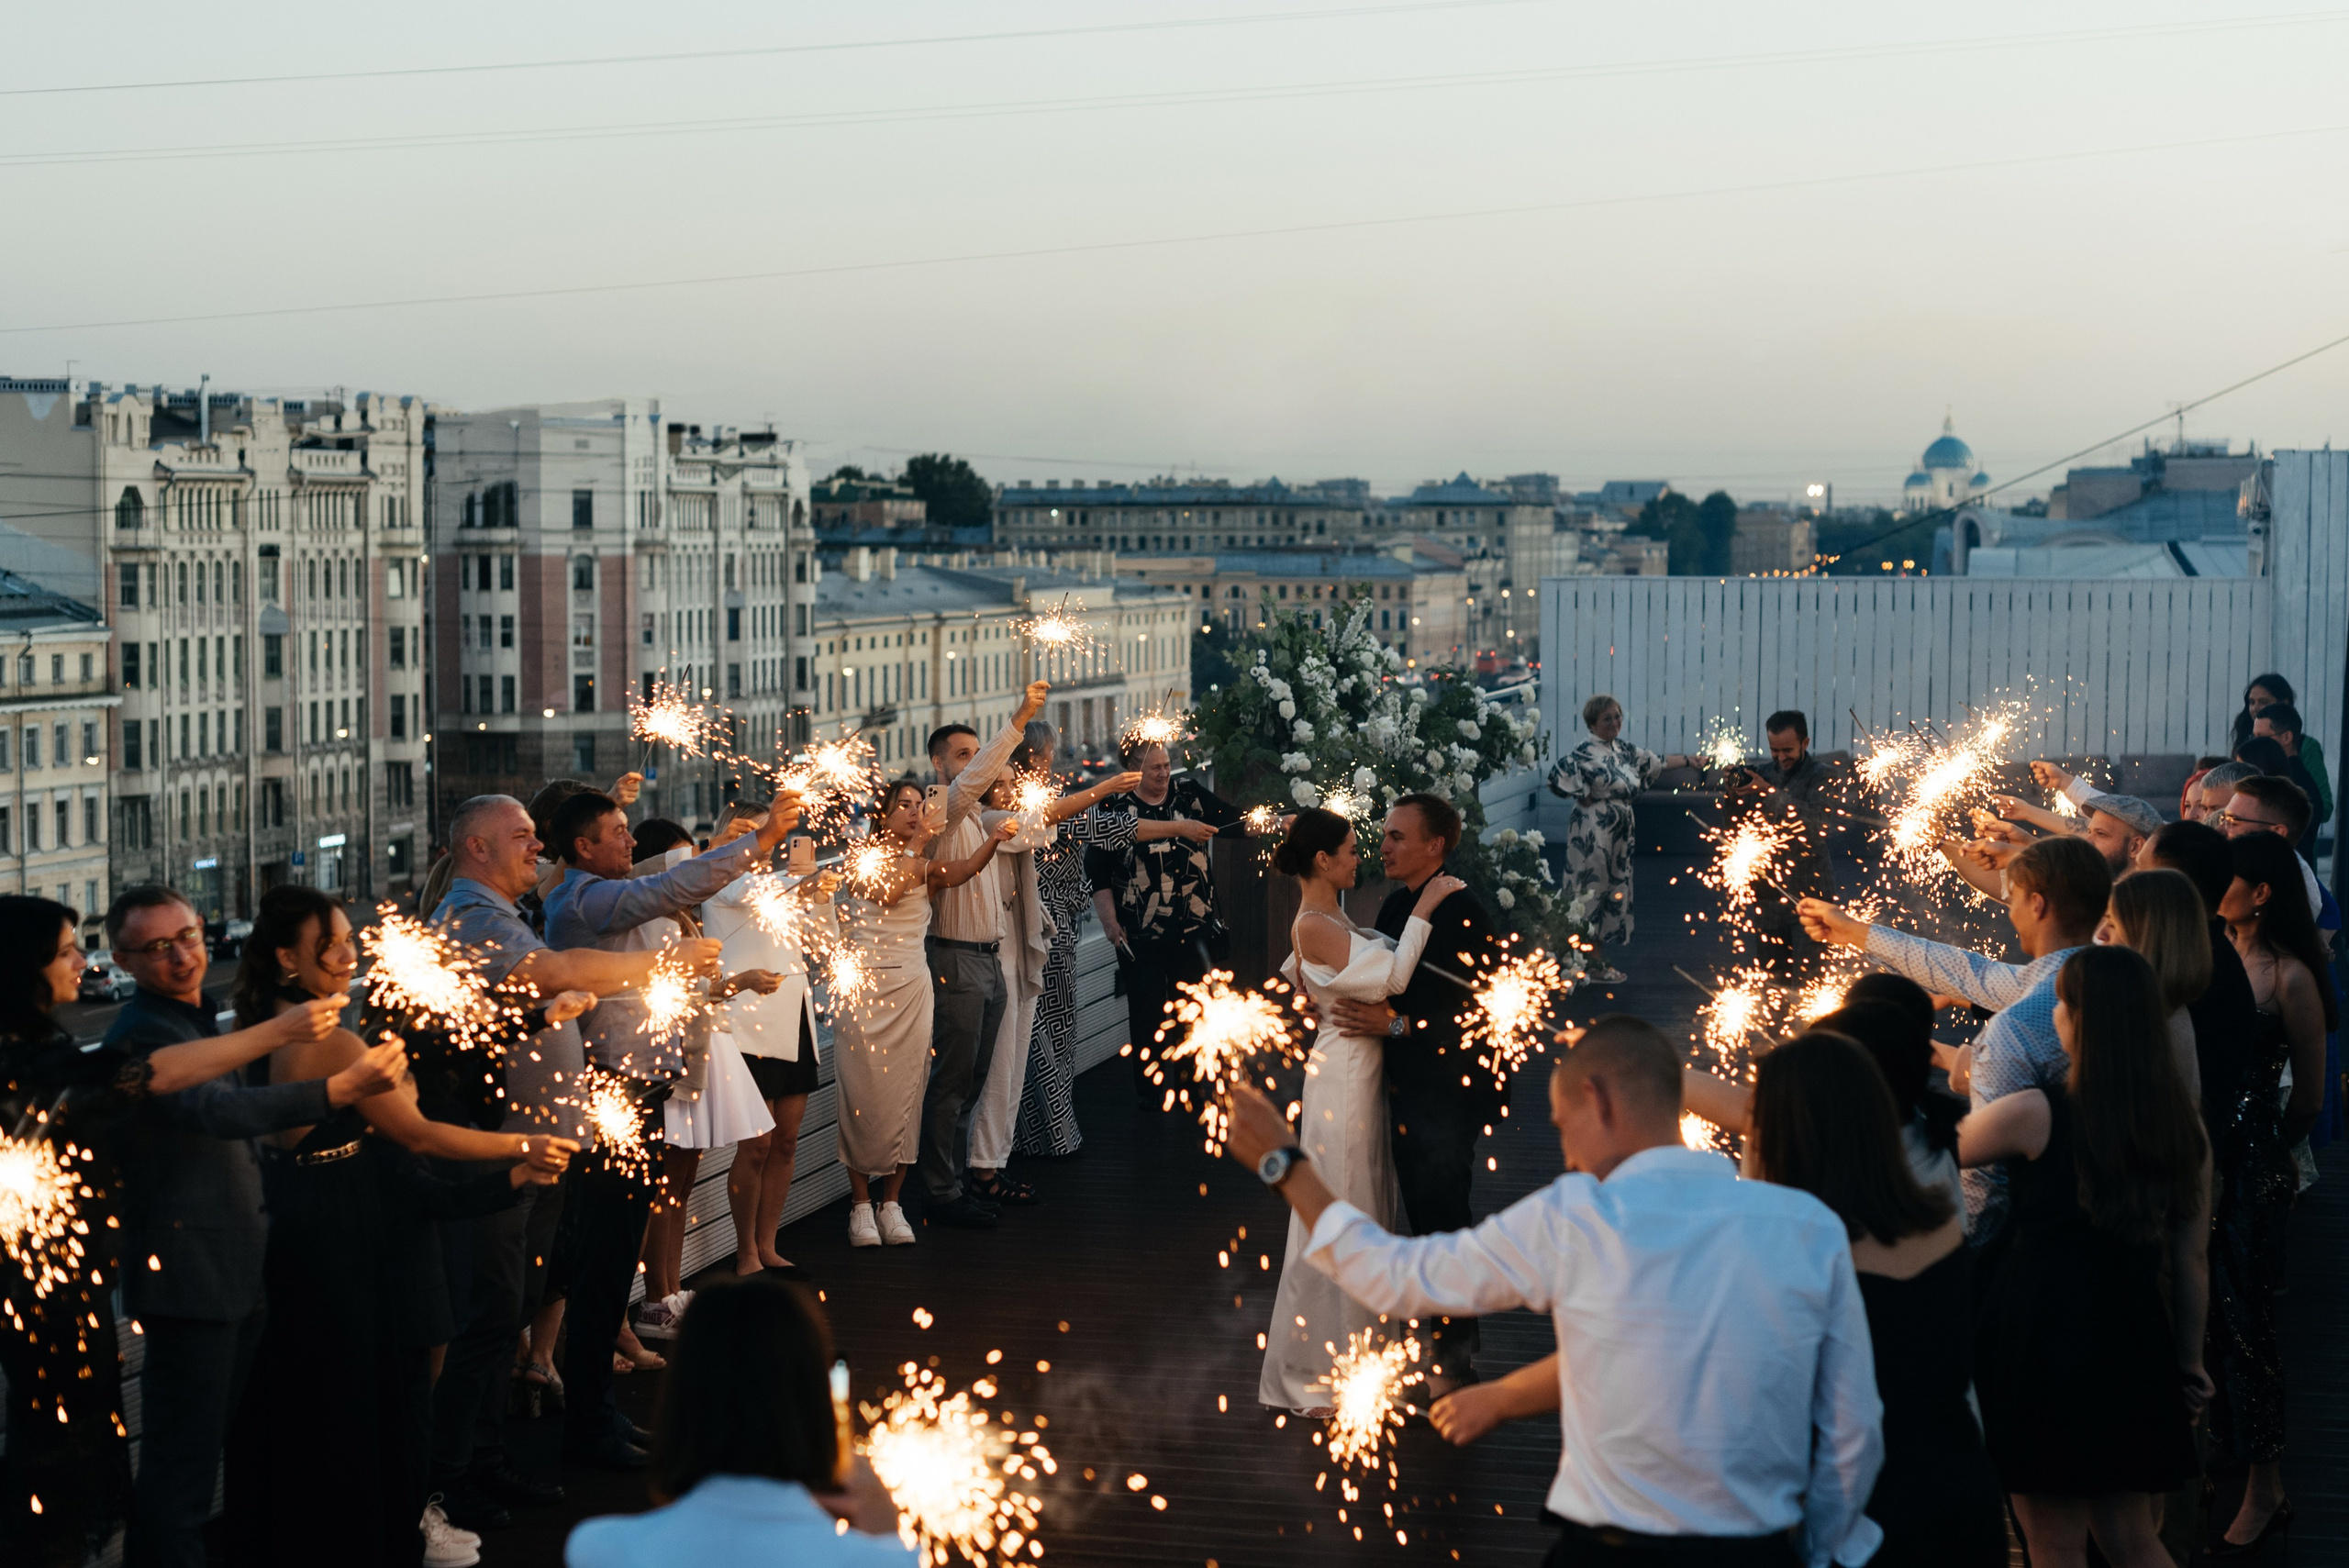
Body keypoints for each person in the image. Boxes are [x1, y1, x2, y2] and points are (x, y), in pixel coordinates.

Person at [1225, 1014, 1885, 1568]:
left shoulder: (1581, 1214)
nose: (1567, 1156)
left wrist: (1287, 1164)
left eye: (1563, 1125)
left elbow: (1396, 1277)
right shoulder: (1809, 1229)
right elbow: (1853, 1429)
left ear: (1599, 1100)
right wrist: (1820, 1551)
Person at [222, 885, 578, 1568]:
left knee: (304, 1405)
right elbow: (417, 1133)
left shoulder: (256, 1025)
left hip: (289, 1222)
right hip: (338, 1231)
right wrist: (520, 1146)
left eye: (349, 939)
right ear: (288, 959)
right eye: (332, 945)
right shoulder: (330, 1039)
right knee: (356, 1402)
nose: (348, 953)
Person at [0, 899, 354, 1568]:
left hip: (92, 1290)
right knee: (93, 1477)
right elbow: (161, 1083)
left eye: (189, 936)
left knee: (109, 1472)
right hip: (77, 1296)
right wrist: (310, 1064)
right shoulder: (55, 1055)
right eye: (68, 951)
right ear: (26, 968)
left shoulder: (48, 1046)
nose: (85, 962)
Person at [104, 884, 406, 1568]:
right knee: (180, 1484)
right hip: (192, 1286)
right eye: (157, 947)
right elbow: (218, 1113)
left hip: (234, 1275)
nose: (181, 954)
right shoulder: (144, 1034)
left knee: (223, 1452)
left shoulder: (197, 1018)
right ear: (123, 960)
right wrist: (333, 1091)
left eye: (187, 934)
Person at [427, 795, 720, 1481]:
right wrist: (664, 969)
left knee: (541, 1292)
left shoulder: (507, 915)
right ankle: (468, 1470)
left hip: (546, 1142)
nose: (537, 847)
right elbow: (557, 971)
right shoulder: (476, 917)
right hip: (504, 1151)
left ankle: (517, 1447)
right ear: (476, 847)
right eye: (523, 836)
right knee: (498, 1309)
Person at [540, 787, 790, 1467]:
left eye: (629, 830)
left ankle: (600, 1414)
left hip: (641, 1091)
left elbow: (667, 910)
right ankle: (588, 1425)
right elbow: (675, 880)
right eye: (617, 831)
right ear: (583, 847)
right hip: (607, 1095)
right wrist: (761, 840)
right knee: (599, 1263)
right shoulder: (583, 900)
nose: (629, 841)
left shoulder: (614, 894)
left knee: (614, 1260)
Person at [1958, 946, 2210, 1568]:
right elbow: (2191, 1255)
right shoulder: (2180, 1125)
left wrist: (1951, 1076)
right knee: (2130, 1535)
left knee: (2052, 1541)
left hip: (2043, 1340)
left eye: (2064, 1003)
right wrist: (2188, 1360)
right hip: (2131, 1336)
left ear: (2082, 1020)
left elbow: (1925, 1152)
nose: (2056, 1016)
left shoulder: (2037, 1112)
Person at [1799, 835, 2110, 1238]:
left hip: (2044, 1245)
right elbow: (1969, 973)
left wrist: (1965, 1265)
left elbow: (1987, 1184)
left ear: (2037, 905)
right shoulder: (2113, 977)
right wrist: (1855, 932)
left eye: (2012, 897)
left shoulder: (2014, 1029)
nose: (2010, 911)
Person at [1259, 808, 1456, 1414]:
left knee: (1365, 1208)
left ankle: (1362, 1361)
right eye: (1347, 849)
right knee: (1341, 1208)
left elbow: (1314, 970)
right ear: (1322, 860)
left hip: (1360, 1072)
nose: (1358, 857)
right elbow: (1388, 978)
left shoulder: (1328, 916)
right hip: (1342, 1081)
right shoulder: (1316, 922)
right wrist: (1427, 906)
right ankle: (1319, 1373)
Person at [1314, 794, 1503, 1393]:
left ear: (1435, 846)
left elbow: (1480, 1015)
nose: (1385, 845)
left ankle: (1454, 1368)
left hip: (1447, 1094)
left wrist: (1396, 1025)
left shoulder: (1466, 914)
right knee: (1422, 1222)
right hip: (1406, 1090)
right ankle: (1438, 1351)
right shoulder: (1398, 904)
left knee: (1444, 1224)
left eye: (1397, 836)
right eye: (1385, 835)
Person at [563, 1274, 911, 1566]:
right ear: (814, 1403)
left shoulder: (598, 1549)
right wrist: (882, 1516)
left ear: (681, 1397)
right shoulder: (884, 1559)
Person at [2205, 829, 2333, 1552]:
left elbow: (2309, 1098)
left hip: (2252, 1160)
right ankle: (2221, 1449)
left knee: (2247, 1322)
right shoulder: (2211, 956)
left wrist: (2268, 1151)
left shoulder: (2289, 977)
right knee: (2207, 1318)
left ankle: (2267, 1487)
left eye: (2232, 877)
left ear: (2261, 894)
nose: (2218, 886)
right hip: (2205, 1149)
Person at [621, 815, 783, 1342]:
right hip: (672, 1057)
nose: (695, 873)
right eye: (684, 862)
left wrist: (732, 983)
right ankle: (657, 1297)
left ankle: (668, 1289)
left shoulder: (678, 918)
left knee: (682, 1181)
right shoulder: (646, 919)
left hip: (699, 1047)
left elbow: (700, 990)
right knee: (667, 1184)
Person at [833, 778, 1014, 1244]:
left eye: (919, 804)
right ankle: (859, 1206)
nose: (916, 811)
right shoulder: (862, 861)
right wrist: (921, 840)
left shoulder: (925, 863)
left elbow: (964, 870)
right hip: (866, 989)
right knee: (861, 1094)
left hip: (912, 986)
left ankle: (891, 1203)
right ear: (883, 815)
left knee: (909, 1093)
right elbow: (890, 890)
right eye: (904, 805)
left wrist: (994, 839)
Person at [966, 746, 1141, 1203]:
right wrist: (1103, 788)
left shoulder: (1015, 813)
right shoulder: (984, 821)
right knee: (1007, 1064)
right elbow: (1046, 823)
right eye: (999, 781)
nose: (1008, 788)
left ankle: (998, 1161)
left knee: (1025, 1056)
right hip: (1010, 951)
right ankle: (991, 1164)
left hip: (1033, 945)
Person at [919, 685, 1052, 1229]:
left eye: (979, 753)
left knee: (971, 1080)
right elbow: (976, 786)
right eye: (963, 756)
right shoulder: (940, 807)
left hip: (987, 960)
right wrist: (1019, 719)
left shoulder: (976, 818)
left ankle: (959, 1181)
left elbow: (1037, 825)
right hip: (955, 962)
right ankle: (942, 1191)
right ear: (938, 763)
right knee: (952, 1084)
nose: (974, 766)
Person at [1087, 734, 1260, 1100]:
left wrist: (1272, 823)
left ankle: (1192, 1085)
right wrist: (1108, 922)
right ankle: (1150, 1093)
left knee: (1193, 1008)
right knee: (1146, 1012)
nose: (1164, 773)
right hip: (1139, 930)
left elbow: (1230, 821)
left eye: (1166, 765)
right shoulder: (1113, 807)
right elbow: (1097, 871)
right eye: (1155, 768)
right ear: (1133, 770)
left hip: (1194, 924)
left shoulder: (1188, 794)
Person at [702, 815, 837, 1277]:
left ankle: (768, 1242)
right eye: (751, 830)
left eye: (768, 830)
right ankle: (745, 1253)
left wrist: (820, 895)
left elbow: (823, 942)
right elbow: (752, 894)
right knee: (755, 1144)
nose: (763, 839)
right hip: (745, 1019)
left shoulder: (782, 883)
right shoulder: (717, 874)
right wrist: (801, 879)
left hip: (793, 1014)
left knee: (786, 1138)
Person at [1013, 721, 1147, 1159]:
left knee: (1032, 1032)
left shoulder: (1015, 800)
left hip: (1030, 926)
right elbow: (1112, 830)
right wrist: (1180, 827)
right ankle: (1052, 1131)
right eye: (1050, 754)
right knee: (1054, 1027)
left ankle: (1027, 1133)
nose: (1054, 760)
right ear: (1038, 757)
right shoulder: (1046, 806)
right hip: (1051, 929)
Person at [1546, 695, 1699, 983]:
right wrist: (1583, 793)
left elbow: (1656, 762)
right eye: (1607, 718)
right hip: (1594, 830)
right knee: (1590, 891)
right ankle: (1587, 963)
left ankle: (1585, 960)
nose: (1615, 722)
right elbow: (1557, 776)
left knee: (1610, 890)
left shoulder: (1622, 749)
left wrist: (1691, 760)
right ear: (1592, 724)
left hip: (1619, 830)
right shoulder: (1585, 750)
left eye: (1617, 716)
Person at [2142, 820, 2263, 1148]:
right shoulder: (2199, 951)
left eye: (2140, 873)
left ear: (2173, 886)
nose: (2129, 883)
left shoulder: (2197, 971)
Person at [2096, 869, 2210, 1108]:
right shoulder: (2163, 1008)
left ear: (2149, 938)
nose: (2101, 935)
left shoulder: (2142, 1020)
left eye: (2113, 925)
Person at [2252, 699, 2332, 831]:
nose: (2256, 744)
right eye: (2254, 737)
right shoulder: (2277, 774)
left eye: (2262, 738)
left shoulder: (2298, 784)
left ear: (2286, 738)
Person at [2230, 672, 2296, 753]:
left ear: (2284, 703)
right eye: (2252, 702)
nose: (2255, 708)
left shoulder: (2306, 745)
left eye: (2263, 702)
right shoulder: (2245, 738)